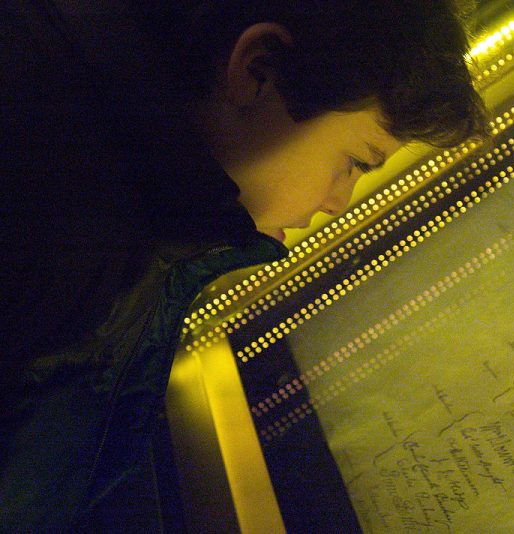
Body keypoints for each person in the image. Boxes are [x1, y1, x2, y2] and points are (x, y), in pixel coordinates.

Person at [0, 0, 486, 529]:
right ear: (256, 70)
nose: (337, 201)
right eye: (354, 163)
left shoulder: (101, 154)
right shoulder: (59, 213)